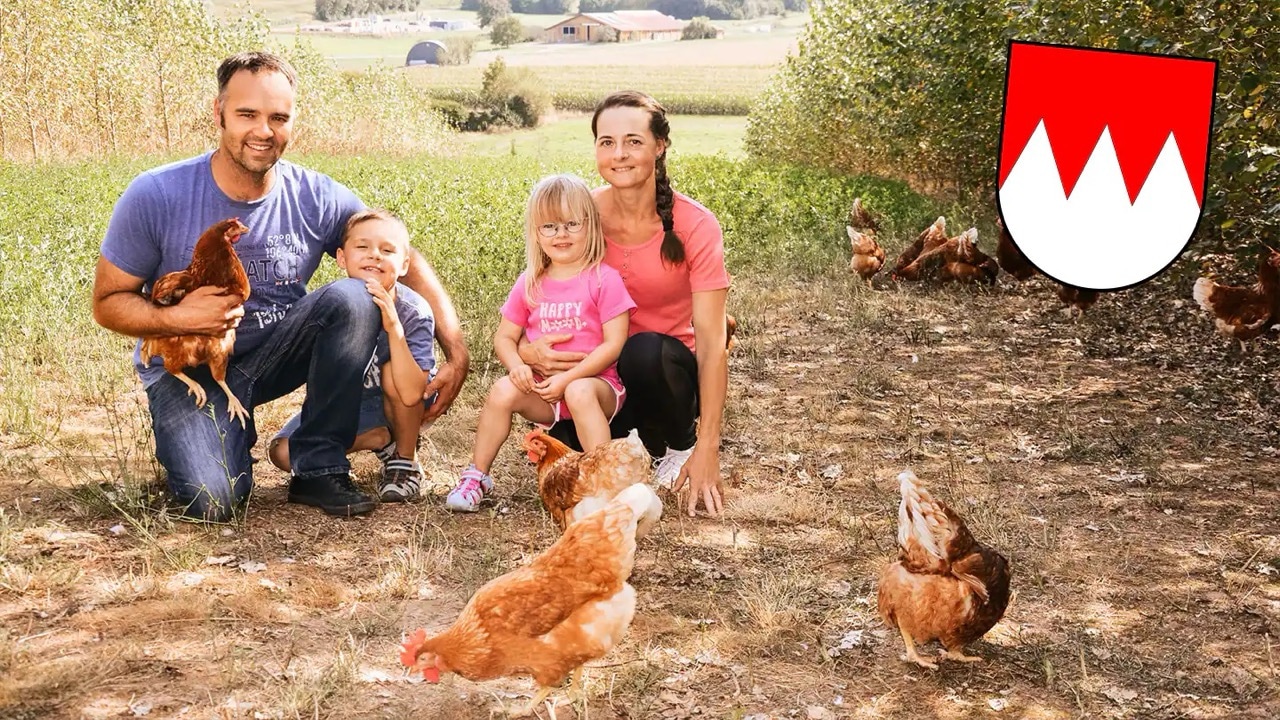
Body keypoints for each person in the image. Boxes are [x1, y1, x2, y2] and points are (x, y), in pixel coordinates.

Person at [91, 51, 469, 522]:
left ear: (292, 122)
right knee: (214, 501)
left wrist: (455, 347)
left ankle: (318, 468)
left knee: (354, 296)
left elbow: (396, 253)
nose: (263, 131)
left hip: (274, 355)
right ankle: (221, 438)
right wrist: (175, 317)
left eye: (278, 117)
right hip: (189, 366)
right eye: (247, 114)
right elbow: (107, 303)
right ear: (219, 113)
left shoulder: (315, 195)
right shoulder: (156, 194)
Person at [518, 91, 731, 518]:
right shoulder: (582, 214)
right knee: (565, 443)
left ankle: (678, 443)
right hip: (598, 380)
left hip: (664, 376)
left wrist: (707, 446)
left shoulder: (695, 224)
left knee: (643, 349)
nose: (619, 154)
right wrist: (527, 351)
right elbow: (537, 299)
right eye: (606, 142)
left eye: (633, 141)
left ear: (660, 146)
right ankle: (637, 451)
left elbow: (712, 342)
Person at [446, 174, 636, 513]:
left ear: (590, 226)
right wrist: (517, 366)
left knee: (578, 391)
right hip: (546, 392)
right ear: (536, 233)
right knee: (502, 391)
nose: (560, 234)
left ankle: (603, 483)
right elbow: (503, 336)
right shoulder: (530, 282)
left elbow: (614, 344)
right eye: (549, 226)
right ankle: (477, 476)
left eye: (571, 224)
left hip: (598, 387)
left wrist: (569, 378)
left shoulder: (603, 278)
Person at [266, 210, 437, 503]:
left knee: (390, 372)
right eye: (362, 247)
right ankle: (379, 438)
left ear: (405, 263)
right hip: (352, 404)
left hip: (401, 399)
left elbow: (411, 393)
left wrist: (394, 327)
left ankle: (405, 461)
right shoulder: (331, 307)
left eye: (387, 250)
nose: (374, 256)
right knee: (281, 452)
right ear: (342, 258)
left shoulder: (414, 312)